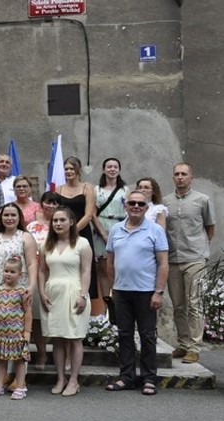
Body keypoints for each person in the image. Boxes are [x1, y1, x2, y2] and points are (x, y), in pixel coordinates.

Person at [105, 190, 169, 395]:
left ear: (146, 208)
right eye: (132, 203)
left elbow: (163, 263)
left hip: (146, 291)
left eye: (140, 204)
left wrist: (158, 291)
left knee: (147, 335)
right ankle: (127, 377)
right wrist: (113, 286)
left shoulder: (155, 230)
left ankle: (149, 378)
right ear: (125, 205)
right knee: (124, 335)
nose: (136, 206)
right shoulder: (116, 229)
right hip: (122, 292)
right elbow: (110, 260)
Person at [164, 163, 215, 364]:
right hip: (172, 259)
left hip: (194, 259)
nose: (180, 177)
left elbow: (210, 227)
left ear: (191, 177)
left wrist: (202, 248)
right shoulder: (166, 202)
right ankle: (183, 344)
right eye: (177, 174)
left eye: (184, 174)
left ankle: (194, 347)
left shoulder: (202, 200)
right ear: (173, 177)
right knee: (178, 305)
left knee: (194, 303)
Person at [38, 207, 92, 397]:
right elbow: (42, 270)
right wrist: (42, 291)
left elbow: (86, 271)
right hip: (53, 293)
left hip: (74, 291)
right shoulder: (47, 244)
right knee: (58, 338)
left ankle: (74, 379)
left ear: (71, 222)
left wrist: (83, 295)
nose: (58, 224)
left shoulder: (82, 243)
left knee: (74, 337)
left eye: (62, 220)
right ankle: (60, 378)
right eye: (55, 220)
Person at [0, 256, 32, 399]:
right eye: (6, 271)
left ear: (20, 274)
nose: (8, 274)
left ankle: (20, 386)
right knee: (1, 360)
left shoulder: (22, 291)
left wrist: (27, 331)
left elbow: (28, 312)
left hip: (17, 332)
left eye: (12, 272)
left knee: (19, 360)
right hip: (1, 332)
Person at [26, 191, 61, 370]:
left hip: (58, 275)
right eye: (48, 202)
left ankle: (62, 356)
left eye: (55, 203)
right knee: (38, 318)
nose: (51, 206)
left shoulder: (63, 225)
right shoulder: (31, 227)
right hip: (36, 276)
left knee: (59, 317)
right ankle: (41, 354)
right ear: (41, 204)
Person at [56, 156, 98, 300]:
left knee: (83, 266)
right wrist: (64, 232)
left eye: (71, 168)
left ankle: (83, 297)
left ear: (78, 170)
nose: (69, 171)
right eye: (66, 168)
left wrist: (72, 231)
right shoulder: (59, 189)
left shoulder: (87, 188)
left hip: (82, 233)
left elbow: (88, 215)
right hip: (62, 235)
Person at [92, 158, 130, 302]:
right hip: (100, 227)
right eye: (109, 167)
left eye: (115, 167)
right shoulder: (96, 190)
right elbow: (92, 214)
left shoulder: (125, 190)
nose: (112, 169)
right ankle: (107, 303)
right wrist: (103, 233)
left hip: (120, 226)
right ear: (104, 169)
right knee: (102, 267)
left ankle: (119, 299)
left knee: (118, 265)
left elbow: (129, 211)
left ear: (119, 170)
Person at [0, 203, 38, 297]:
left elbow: (32, 264)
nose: (9, 218)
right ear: (1, 218)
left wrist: (32, 285)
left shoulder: (25, 237)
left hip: (19, 288)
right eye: (6, 215)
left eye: (13, 215)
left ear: (19, 217)